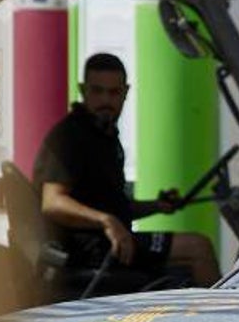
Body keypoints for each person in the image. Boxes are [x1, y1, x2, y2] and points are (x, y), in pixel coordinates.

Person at [35, 52, 221, 287]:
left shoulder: (104, 135)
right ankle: (221, 321)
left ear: (126, 92)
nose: (105, 100)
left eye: (113, 93)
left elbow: (113, 206)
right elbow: (52, 202)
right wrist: (107, 221)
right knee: (198, 248)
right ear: (83, 91)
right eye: (97, 91)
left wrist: (156, 206)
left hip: (111, 243)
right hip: (91, 251)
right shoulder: (70, 137)